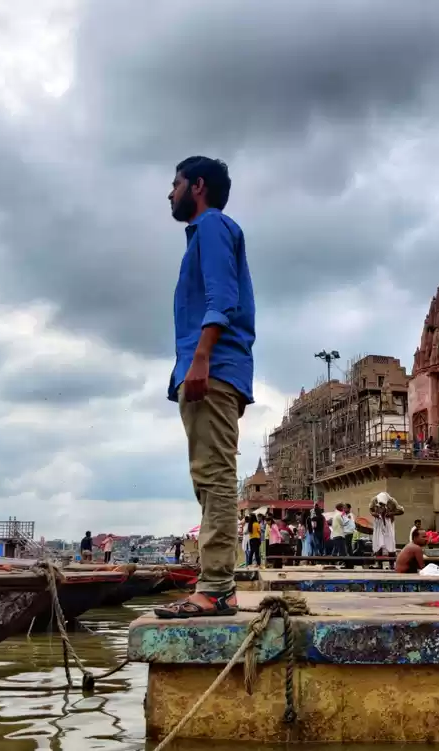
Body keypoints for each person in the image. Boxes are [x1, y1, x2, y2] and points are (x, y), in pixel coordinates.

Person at [156, 157, 254, 620]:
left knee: (214, 476)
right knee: (207, 476)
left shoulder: (213, 226)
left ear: (197, 186)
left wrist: (201, 360)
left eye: (174, 184)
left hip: (211, 368)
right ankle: (216, 585)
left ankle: (216, 588)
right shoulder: (207, 234)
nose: (169, 193)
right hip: (212, 370)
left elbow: (222, 299)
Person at [370, 492, 403, 564]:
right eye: (380, 504)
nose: (381, 506)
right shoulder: (374, 500)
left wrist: (391, 513)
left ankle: (391, 564)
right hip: (378, 523)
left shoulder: (392, 501)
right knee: (378, 543)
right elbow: (370, 509)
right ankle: (379, 564)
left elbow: (401, 511)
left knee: (390, 543)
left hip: (388, 523)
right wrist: (374, 514)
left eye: (383, 504)